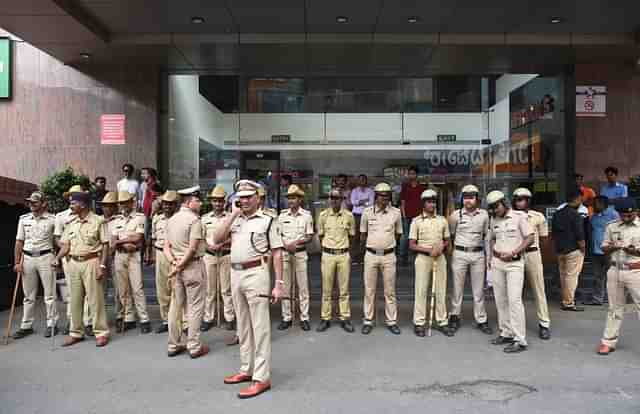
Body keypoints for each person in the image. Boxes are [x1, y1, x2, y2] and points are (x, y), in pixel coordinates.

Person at [215, 180, 284, 399]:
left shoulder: (269, 220)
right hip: (236, 274)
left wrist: (278, 285)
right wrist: (233, 215)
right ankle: (246, 369)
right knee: (243, 325)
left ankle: (261, 377)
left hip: (257, 273)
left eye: (248, 196)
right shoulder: (235, 219)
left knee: (260, 327)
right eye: (240, 197)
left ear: (258, 198)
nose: (243, 200)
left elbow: (277, 253)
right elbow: (216, 238)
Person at [53, 190, 110, 347]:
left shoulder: (99, 221)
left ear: (83, 204)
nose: (70, 206)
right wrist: (57, 259)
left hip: (92, 262)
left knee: (95, 299)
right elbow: (65, 245)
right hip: (73, 263)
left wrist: (102, 265)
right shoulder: (72, 222)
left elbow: (105, 245)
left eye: (73, 203)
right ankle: (76, 333)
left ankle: (101, 332)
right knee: (75, 299)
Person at [164, 186, 209, 359]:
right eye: (198, 200)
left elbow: (166, 247)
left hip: (176, 267)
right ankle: (194, 345)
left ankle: (173, 344)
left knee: (175, 306)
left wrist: (174, 263)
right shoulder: (194, 220)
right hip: (191, 267)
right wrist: (180, 265)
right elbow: (192, 249)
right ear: (189, 202)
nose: (200, 203)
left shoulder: (172, 219)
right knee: (195, 307)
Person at [486, 190, 534, 354]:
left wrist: (514, 252)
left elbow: (530, 238)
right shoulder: (494, 219)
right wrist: (493, 253)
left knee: (514, 301)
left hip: (514, 264)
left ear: (504, 203)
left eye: (496, 206)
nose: (495, 210)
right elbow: (492, 238)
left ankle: (520, 340)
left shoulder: (519, 217)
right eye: (492, 207)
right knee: (500, 300)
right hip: (498, 263)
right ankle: (506, 333)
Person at [596, 198, 640, 355]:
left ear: (636, 212)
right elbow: (604, 247)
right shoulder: (611, 226)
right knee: (614, 308)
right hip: (615, 270)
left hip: (636, 271)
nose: (626, 218)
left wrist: (633, 251)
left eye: (630, 215)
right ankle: (608, 341)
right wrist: (612, 247)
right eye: (623, 215)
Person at [447, 184, 492, 335]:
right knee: (457, 288)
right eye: (465, 197)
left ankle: (481, 319)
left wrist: (488, 257)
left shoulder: (484, 215)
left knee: (478, 290)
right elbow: (451, 235)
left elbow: (487, 236)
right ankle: (454, 316)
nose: (468, 201)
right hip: (459, 253)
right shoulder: (455, 215)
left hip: (478, 255)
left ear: (477, 199)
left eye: (471, 197)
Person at [12, 192, 58, 339]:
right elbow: (19, 241)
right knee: (28, 295)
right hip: (28, 258)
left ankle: (52, 324)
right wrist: (17, 262)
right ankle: (26, 325)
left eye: (35, 202)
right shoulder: (24, 219)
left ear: (44, 204)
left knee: (49, 294)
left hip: (46, 256)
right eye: (30, 202)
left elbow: (58, 240)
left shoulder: (53, 219)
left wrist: (58, 258)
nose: (31, 204)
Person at [360, 182, 403, 335]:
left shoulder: (396, 213)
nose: (385, 199)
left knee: (390, 291)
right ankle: (368, 320)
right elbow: (363, 234)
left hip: (389, 255)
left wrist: (387, 245)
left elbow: (398, 234)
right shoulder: (367, 212)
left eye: (387, 196)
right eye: (381, 196)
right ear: (375, 197)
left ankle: (391, 321)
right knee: (369, 290)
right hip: (371, 255)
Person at [409, 189, 454, 337]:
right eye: (429, 201)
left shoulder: (442, 220)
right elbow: (412, 244)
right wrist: (429, 250)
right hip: (423, 258)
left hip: (439, 258)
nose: (432, 204)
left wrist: (442, 246)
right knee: (421, 290)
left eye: (434, 201)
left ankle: (442, 321)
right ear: (423, 204)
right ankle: (419, 322)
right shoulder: (416, 221)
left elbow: (447, 240)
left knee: (441, 290)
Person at [512, 188, 551, 340]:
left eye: (521, 199)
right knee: (515, 293)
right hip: (515, 255)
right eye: (516, 199)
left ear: (528, 200)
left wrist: (540, 255)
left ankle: (544, 324)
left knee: (538, 290)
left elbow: (544, 239)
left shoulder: (538, 217)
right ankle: (514, 325)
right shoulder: (510, 216)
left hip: (533, 254)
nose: (518, 202)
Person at [316, 189, 356, 333]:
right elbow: (320, 236)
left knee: (344, 290)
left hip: (343, 255)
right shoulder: (323, 216)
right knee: (326, 289)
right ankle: (325, 318)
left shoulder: (349, 216)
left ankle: (345, 318)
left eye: (337, 198)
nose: (334, 200)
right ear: (329, 199)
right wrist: (329, 248)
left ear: (342, 199)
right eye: (332, 197)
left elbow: (352, 237)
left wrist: (343, 248)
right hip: (328, 255)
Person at [111, 191, 151, 333]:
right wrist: (123, 242)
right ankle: (129, 318)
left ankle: (144, 319)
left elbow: (138, 238)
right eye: (121, 203)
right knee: (123, 289)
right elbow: (112, 240)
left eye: (125, 202)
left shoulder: (140, 217)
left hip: (133, 255)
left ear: (131, 202)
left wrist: (121, 241)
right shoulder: (116, 219)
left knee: (137, 288)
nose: (123, 205)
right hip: (120, 255)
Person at [277, 185, 314, 331]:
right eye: (289, 198)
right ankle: (287, 317)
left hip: (300, 253)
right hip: (286, 253)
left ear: (300, 199)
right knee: (285, 287)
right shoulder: (282, 216)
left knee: (303, 287)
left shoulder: (306, 216)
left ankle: (304, 317)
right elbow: (278, 235)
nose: (291, 201)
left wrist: (296, 243)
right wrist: (285, 245)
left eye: (294, 198)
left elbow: (310, 236)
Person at [201, 186, 235, 332]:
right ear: (211, 202)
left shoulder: (230, 218)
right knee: (209, 290)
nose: (217, 204)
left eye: (220, 201)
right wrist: (209, 246)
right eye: (215, 201)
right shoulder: (204, 219)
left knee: (226, 289)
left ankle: (229, 318)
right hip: (209, 256)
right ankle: (208, 318)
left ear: (224, 202)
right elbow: (200, 238)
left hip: (225, 256)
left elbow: (234, 237)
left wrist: (221, 244)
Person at [552, 187, 586, 311]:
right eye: (581, 198)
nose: (582, 201)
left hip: (560, 250)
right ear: (577, 198)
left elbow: (554, 233)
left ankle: (565, 300)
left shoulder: (557, 214)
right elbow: (580, 235)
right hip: (573, 250)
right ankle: (568, 303)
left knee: (563, 276)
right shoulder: (575, 215)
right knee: (571, 276)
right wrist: (583, 249)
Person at [150, 190, 178, 333]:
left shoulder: (180, 219)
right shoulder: (157, 218)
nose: (167, 207)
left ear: (175, 205)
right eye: (165, 204)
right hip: (160, 254)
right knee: (162, 289)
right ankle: (166, 320)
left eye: (170, 204)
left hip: (176, 255)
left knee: (176, 288)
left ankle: (178, 320)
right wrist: (153, 256)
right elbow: (154, 238)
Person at [98, 192, 127, 329]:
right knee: (101, 288)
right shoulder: (98, 220)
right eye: (104, 206)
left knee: (119, 288)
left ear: (115, 207)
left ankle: (119, 315)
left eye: (110, 206)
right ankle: (101, 316)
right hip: (100, 257)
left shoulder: (120, 220)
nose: (107, 208)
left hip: (115, 255)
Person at [587, 196, 619, 306]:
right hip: (596, 251)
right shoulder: (593, 217)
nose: (594, 206)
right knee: (597, 276)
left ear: (603, 204)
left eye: (596, 203)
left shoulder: (613, 215)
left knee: (612, 276)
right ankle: (598, 299)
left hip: (610, 251)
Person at [399, 167, 426, 265]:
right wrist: (404, 215)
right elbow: (402, 202)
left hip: (419, 216)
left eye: (413, 173)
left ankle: (418, 257)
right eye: (410, 173)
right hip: (407, 215)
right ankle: (403, 257)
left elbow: (424, 202)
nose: (411, 175)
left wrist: (424, 215)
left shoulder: (422, 187)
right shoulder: (405, 186)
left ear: (417, 175)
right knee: (405, 236)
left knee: (419, 236)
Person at [350, 175, 374, 264]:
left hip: (367, 215)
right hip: (356, 215)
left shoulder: (370, 191)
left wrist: (359, 201)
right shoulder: (354, 191)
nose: (362, 181)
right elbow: (353, 202)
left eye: (364, 179)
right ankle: (355, 258)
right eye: (360, 180)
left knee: (365, 237)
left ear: (366, 181)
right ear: (358, 181)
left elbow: (371, 203)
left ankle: (363, 257)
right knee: (355, 237)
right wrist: (364, 201)